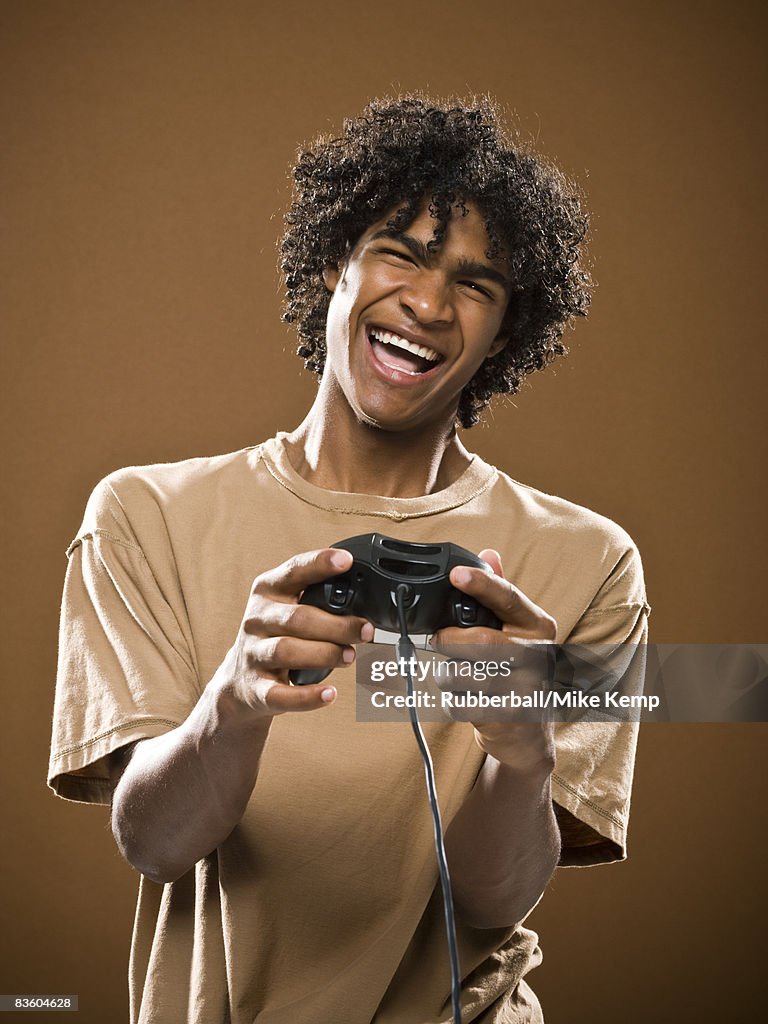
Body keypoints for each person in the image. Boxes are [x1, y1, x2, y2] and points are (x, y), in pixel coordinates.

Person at [48, 96, 650, 1023]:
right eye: (400, 254)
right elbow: (156, 845)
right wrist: (235, 703)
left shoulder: (590, 564)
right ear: (335, 259)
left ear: (504, 332)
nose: (429, 304)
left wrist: (523, 753)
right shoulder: (144, 515)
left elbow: (490, 903)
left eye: (477, 286)